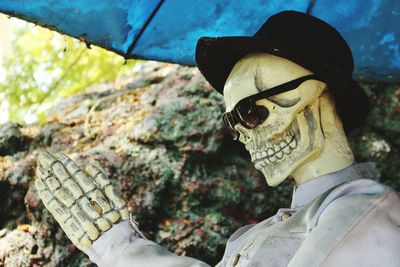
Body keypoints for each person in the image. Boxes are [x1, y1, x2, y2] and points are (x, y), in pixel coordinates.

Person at [36, 11, 400, 267]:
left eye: (253, 111)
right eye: (232, 122)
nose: (243, 133)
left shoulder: (367, 213)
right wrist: (116, 243)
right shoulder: (252, 236)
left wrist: (120, 248)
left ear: (321, 92)